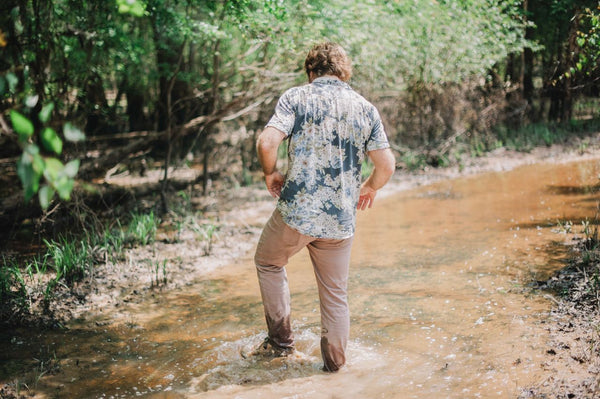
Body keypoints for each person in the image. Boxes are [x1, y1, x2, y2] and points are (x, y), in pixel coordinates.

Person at [251, 41, 396, 372]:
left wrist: (270, 172)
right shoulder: (365, 108)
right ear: (344, 72)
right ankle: (334, 369)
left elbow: (267, 141)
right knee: (334, 295)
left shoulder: (296, 98)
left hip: (296, 214)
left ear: (310, 71)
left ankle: (280, 345)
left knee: (268, 262)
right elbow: (386, 165)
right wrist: (370, 187)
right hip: (339, 221)